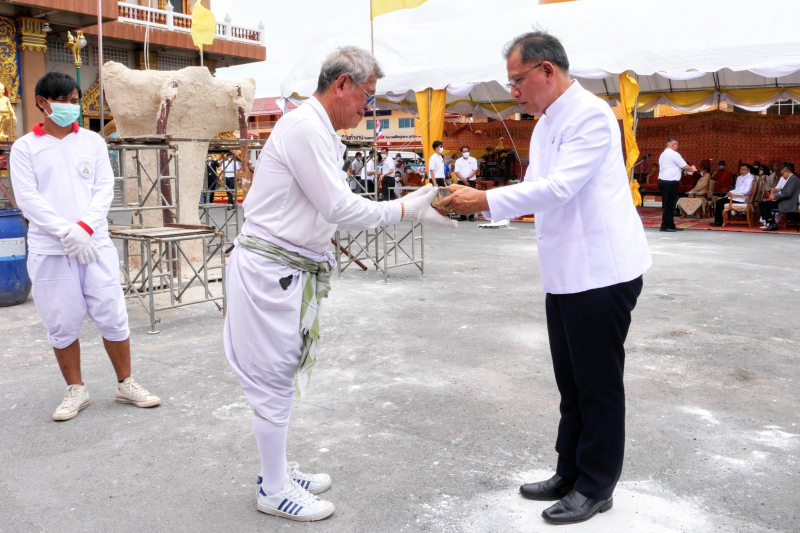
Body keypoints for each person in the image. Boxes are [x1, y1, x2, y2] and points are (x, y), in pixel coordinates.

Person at [223, 46, 456, 523]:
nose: (366, 109)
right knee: (272, 379)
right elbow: (339, 208)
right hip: (271, 272)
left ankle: (278, 470)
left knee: (283, 373)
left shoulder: (321, 130)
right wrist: (406, 208)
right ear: (342, 85)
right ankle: (273, 487)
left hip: (289, 271)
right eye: (366, 97)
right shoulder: (307, 127)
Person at [438, 31, 651, 525]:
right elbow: (535, 190)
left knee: (598, 385)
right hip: (565, 273)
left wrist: (484, 200)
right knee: (571, 383)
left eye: (518, 80)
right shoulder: (543, 124)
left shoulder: (593, 116)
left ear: (547, 71)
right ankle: (570, 471)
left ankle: (597, 485)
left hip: (601, 272)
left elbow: (558, 189)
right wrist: (477, 201)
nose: (513, 91)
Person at [10, 72, 160, 422]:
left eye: (75, 100)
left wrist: (84, 228)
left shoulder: (93, 142)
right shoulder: (25, 148)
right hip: (51, 249)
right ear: (42, 103)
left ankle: (126, 383)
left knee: (113, 314)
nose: (71, 106)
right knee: (60, 321)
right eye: (64, 100)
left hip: (94, 244)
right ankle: (76, 389)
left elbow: (104, 190)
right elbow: (28, 199)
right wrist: (67, 231)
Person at [658, 138, 696, 232]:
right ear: (674, 144)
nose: (677, 147)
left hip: (664, 181)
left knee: (670, 204)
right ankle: (665, 226)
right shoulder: (673, 154)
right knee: (669, 204)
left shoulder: (663, 154)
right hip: (669, 181)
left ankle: (670, 225)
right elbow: (686, 166)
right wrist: (693, 169)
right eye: (677, 145)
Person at [760, 163, 800, 231]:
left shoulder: (793, 179)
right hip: (785, 202)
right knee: (763, 203)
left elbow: (788, 194)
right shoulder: (792, 179)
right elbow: (786, 191)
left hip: (788, 204)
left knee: (762, 204)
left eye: (783, 174)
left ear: (787, 172)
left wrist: (775, 197)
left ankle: (772, 223)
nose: (783, 176)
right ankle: (772, 223)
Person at [454, 145, 478, 221]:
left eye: (467, 151)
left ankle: (471, 216)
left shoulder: (473, 160)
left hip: (471, 181)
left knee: (472, 199)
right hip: (461, 181)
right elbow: (457, 172)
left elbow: (474, 170)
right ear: (461, 152)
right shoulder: (458, 161)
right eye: (464, 152)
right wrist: (464, 180)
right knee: (461, 199)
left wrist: (467, 178)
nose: (466, 153)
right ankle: (463, 216)